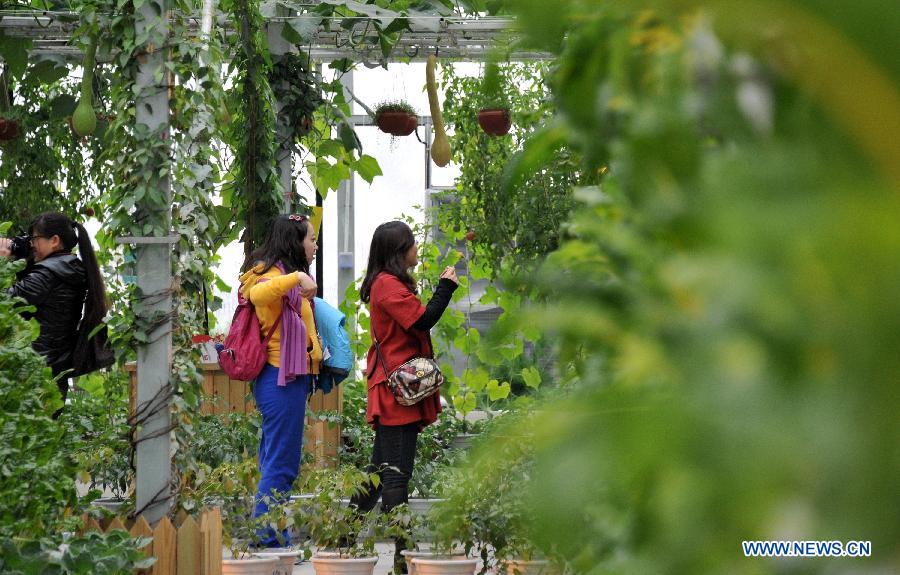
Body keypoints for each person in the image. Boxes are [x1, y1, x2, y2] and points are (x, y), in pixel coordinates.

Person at [352, 221, 458, 573]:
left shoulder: (388, 283)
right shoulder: (386, 285)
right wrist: (445, 287)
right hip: (396, 393)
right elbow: (422, 320)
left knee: (378, 475)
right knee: (396, 474)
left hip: (398, 390)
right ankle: (401, 557)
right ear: (399, 252)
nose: (417, 249)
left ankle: (340, 538)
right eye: (412, 244)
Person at [238, 213, 321, 547]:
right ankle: (267, 541)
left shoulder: (285, 277)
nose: (315, 245)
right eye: (311, 239)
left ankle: (273, 535)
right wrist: (298, 276)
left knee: (275, 461)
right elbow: (258, 295)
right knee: (282, 466)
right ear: (295, 242)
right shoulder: (271, 276)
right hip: (279, 377)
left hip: (289, 377)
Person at [0, 212, 108, 416]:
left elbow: (5, 304)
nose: (31, 245)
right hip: (54, 374)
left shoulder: (47, 276)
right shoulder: (70, 269)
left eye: (34, 239)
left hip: (32, 376)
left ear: (54, 241)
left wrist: (2, 262)